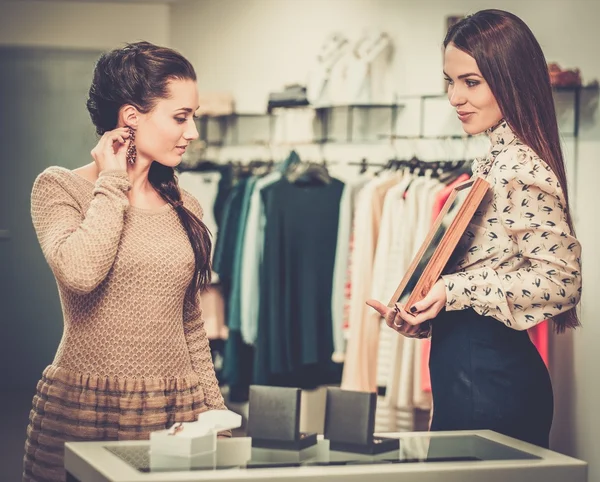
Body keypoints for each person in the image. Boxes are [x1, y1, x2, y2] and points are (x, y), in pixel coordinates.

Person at [367, 9, 582, 448]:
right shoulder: (494, 161)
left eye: (471, 82)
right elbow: (490, 271)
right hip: (467, 372)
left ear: (510, 79)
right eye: (450, 81)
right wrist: (426, 312)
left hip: (493, 382)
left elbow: (562, 281)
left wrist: (453, 291)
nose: (454, 98)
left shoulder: (521, 167)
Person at [23, 42, 228, 482]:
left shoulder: (186, 204)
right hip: (84, 408)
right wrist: (115, 181)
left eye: (193, 116)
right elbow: (80, 273)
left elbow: (190, 323)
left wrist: (216, 412)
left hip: (178, 409)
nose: (193, 132)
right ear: (131, 117)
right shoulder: (60, 188)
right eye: (180, 117)